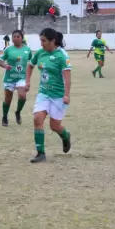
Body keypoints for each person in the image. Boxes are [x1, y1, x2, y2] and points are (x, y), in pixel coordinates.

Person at [25, 28, 72, 163]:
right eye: (40, 40)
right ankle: (41, 154)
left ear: (53, 41)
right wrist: (27, 82)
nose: (41, 44)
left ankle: (65, 136)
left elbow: (67, 78)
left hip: (58, 95)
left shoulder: (62, 56)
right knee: (37, 119)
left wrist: (66, 95)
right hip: (44, 93)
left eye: (44, 41)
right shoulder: (40, 53)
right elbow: (30, 65)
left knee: (54, 126)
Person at [0, 29, 32, 127]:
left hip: (21, 77)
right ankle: (4, 116)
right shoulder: (8, 49)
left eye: (18, 36)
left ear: (22, 38)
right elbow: (0, 61)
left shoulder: (27, 50)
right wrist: (5, 66)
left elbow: (31, 61)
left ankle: (18, 112)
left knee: (22, 96)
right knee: (8, 100)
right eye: (14, 36)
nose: (16, 38)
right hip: (9, 78)